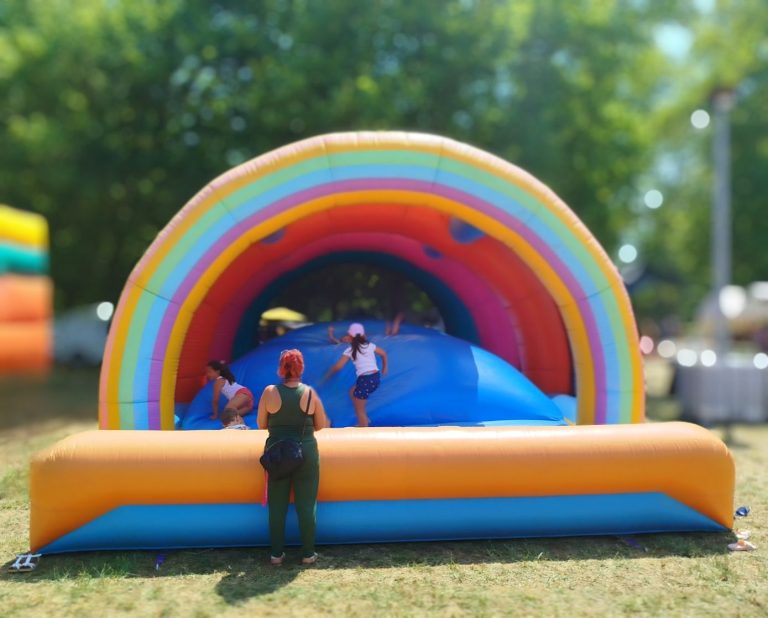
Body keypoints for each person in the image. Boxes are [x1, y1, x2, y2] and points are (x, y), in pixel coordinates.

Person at [257, 349, 330, 566]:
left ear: (281, 367)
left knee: (277, 506)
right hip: (305, 451)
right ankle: (308, 554)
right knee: (306, 505)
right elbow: (320, 425)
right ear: (301, 367)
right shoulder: (309, 393)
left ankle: (276, 555)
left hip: (278, 453)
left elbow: (261, 424)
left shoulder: (269, 392)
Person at [324, 322, 388, 427]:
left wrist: (328, 374)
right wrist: (385, 368)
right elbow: (383, 353)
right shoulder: (369, 346)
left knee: (359, 410)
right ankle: (363, 418)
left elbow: (338, 367)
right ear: (364, 335)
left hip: (365, 380)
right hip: (375, 378)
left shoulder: (350, 350)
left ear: (349, 336)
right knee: (352, 391)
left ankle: (363, 424)